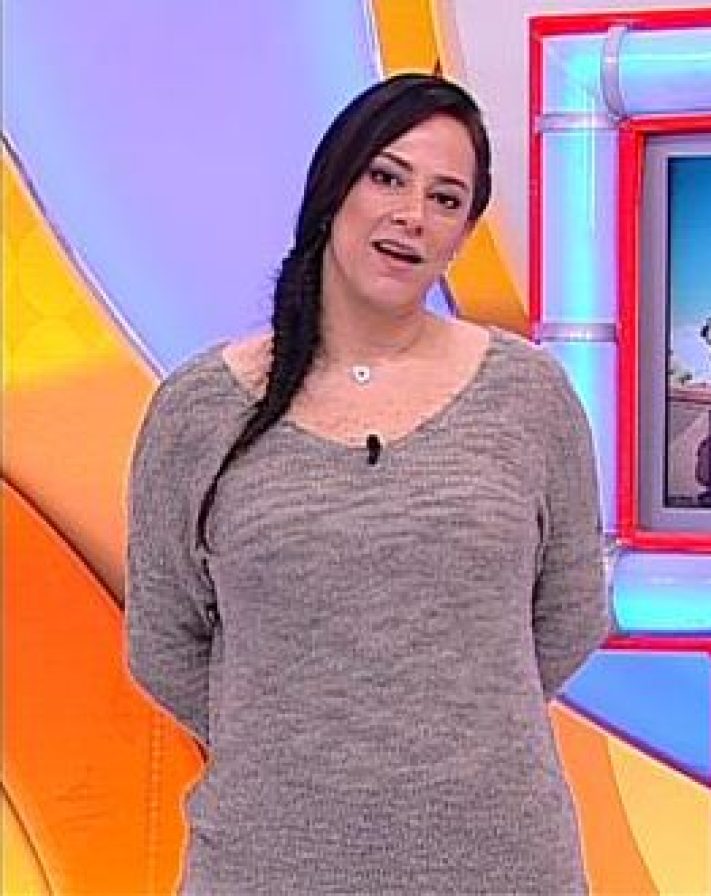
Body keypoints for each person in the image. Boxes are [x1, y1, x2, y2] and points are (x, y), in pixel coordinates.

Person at [124, 72, 611, 894]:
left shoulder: (528, 394)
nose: (412, 215)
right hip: (269, 864)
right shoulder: (200, 409)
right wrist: (298, 750)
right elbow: (163, 640)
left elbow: (569, 612)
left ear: (463, 233)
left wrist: (454, 729)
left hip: (498, 862)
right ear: (333, 187)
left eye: (446, 199)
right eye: (387, 177)